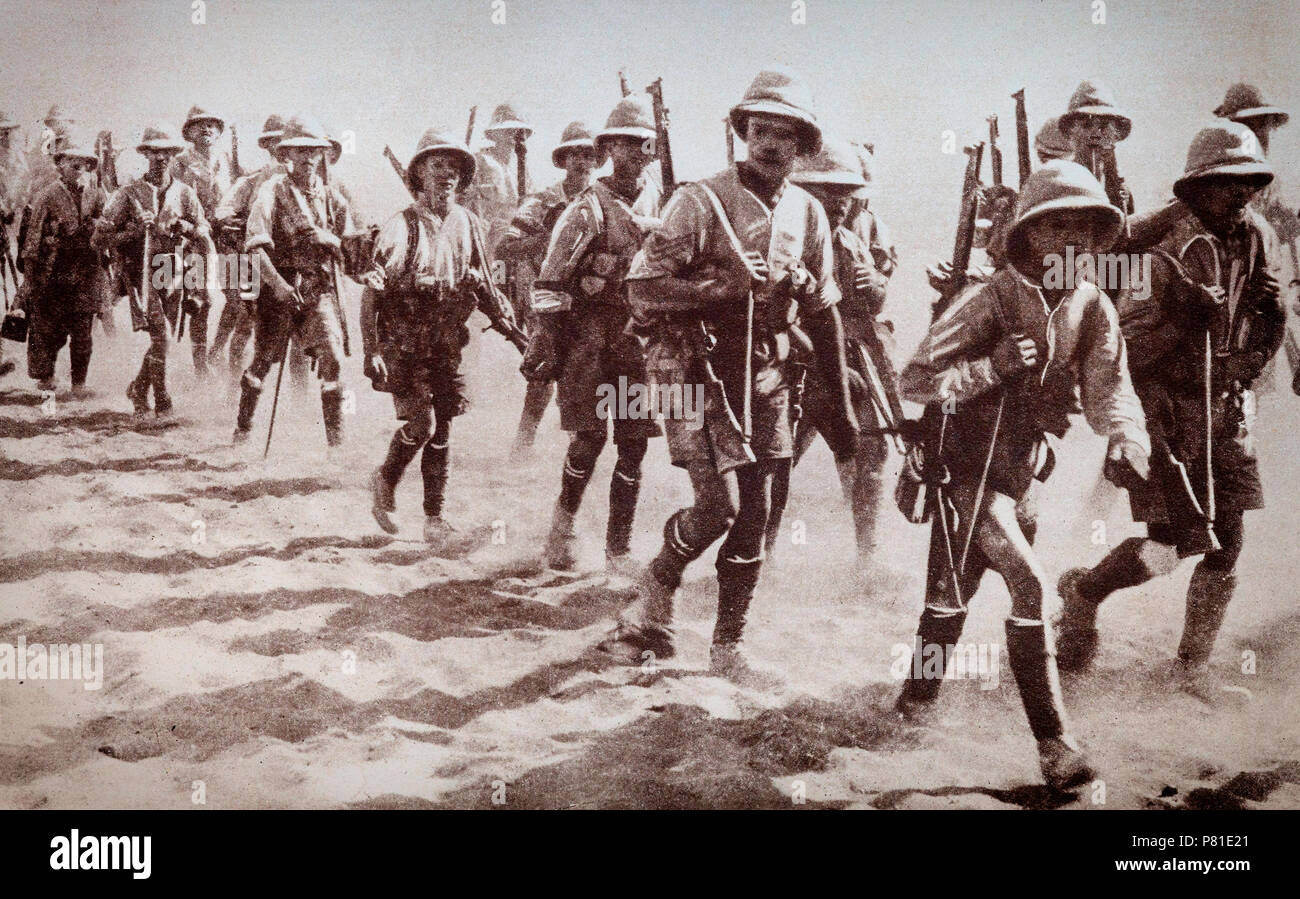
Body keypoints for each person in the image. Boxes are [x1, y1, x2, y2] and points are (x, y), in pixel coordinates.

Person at [894, 159, 1150, 790]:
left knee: (949, 601)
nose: (1075, 243)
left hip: (1019, 476)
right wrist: (994, 367)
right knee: (1030, 587)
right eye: (1058, 227)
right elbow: (916, 379)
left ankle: (912, 707)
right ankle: (1056, 746)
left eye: (1089, 231)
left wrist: (1126, 436)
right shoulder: (989, 296)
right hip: (962, 474)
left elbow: (1110, 385)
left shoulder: (1090, 303)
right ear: (1028, 234)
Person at [599, 68, 859, 684]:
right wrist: (718, 285)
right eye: (759, 130)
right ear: (743, 132)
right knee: (719, 508)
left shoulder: (809, 213)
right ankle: (656, 584)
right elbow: (642, 288)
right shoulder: (698, 198)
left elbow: (824, 312)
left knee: (761, 509)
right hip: (692, 365)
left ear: (803, 144)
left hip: (765, 372)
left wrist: (841, 406)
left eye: (785, 134)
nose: (770, 144)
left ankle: (727, 647)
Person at [1056, 123, 1283, 704]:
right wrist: (1185, 318)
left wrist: (1246, 366)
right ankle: (1084, 592)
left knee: (1227, 541)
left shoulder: (1253, 235)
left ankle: (1190, 667)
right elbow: (1125, 350)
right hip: (1165, 408)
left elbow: (1271, 311)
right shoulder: (1165, 252)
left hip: (1223, 406)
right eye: (1226, 184)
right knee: (1169, 545)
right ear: (1197, 188)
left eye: (1249, 184)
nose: (1240, 195)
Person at [522, 99, 661, 574]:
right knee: (589, 440)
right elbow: (548, 285)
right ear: (607, 151)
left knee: (635, 445)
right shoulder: (587, 209)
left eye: (640, 144)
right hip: (590, 339)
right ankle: (561, 533)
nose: (632, 154)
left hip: (638, 342)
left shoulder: (663, 204)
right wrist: (554, 345)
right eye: (619, 145)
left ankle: (618, 550)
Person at [363, 127, 512, 547]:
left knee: (444, 426)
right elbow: (372, 292)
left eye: (453, 167)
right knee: (422, 424)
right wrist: (371, 348)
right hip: (405, 339)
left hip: (447, 338)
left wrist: (502, 311)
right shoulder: (401, 226)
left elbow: (483, 280)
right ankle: (385, 478)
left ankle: (434, 519)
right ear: (420, 174)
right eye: (436, 166)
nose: (446, 174)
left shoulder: (469, 223)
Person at [764, 136, 901, 566]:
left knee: (871, 456)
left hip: (853, 365)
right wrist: (831, 364)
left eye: (845, 194)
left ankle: (868, 557)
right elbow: (777, 316)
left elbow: (871, 303)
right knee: (775, 462)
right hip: (797, 366)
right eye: (827, 194)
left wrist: (876, 286)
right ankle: (757, 556)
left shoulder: (853, 240)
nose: (839, 204)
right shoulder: (782, 241)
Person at [232, 114, 361, 447]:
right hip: (278, 291)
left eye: (314, 150)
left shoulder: (334, 198)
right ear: (286, 154)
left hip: (318, 292)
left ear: (323, 153)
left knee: (332, 360)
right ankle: (242, 431)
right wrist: (280, 287)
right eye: (300, 150)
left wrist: (333, 242)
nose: (308, 158)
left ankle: (336, 447)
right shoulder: (271, 191)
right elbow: (255, 249)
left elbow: (351, 249)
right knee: (263, 363)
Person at [93, 123, 215, 416]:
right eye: (155, 152)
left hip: (172, 272)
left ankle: (138, 388)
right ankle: (161, 400)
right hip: (140, 273)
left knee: (165, 339)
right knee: (161, 338)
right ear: (146, 154)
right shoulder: (128, 193)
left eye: (167, 153)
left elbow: (203, 227)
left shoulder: (184, 192)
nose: (161, 158)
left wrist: (183, 226)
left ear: (174, 155)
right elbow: (99, 239)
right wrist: (134, 231)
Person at [496, 120, 597, 460]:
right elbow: (506, 247)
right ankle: (522, 444)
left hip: (587, 301)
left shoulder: (601, 200)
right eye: (574, 154)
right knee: (542, 374)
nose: (582, 161)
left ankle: (577, 451)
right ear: (564, 159)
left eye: (588, 154)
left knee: (582, 375)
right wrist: (551, 235)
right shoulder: (544, 200)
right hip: (545, 300)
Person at [15, 133, 107, 396]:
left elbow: (106, 225)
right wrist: (31, 278)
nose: (80, 171)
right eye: (73, 165)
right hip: (53, 272)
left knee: (82, 335)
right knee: (48, 333)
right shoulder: (47, 195)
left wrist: (99, 228)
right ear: (60, 165)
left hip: (86, 270)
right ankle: (47, 385)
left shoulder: (96, 194)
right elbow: (32, 239)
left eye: (85, 166)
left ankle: (79, 385)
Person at [209, 114, 285, 382]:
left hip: (285, 267)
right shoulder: (254, 180)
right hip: (250, 261)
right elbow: (223, 211)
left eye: (286, 142)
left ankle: (301, 403)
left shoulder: (309, 185)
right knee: (244, 320)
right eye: (275, 143)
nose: (282, 149)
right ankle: (232, 386)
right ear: (268, 147)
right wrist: (236, 221)